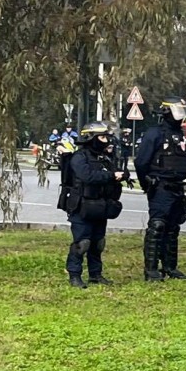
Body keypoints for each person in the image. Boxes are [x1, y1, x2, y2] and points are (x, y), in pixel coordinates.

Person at [134, 95, 186, 281]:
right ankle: (151, 270)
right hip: (160, 186)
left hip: (177, 187)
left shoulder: (181, 134)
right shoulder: (155, 133)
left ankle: (170, 267)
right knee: (157, 226)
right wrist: (147, 183)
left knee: (173, 228)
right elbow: (141, 162)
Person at [59, 121, 124, 287]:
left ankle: (96, 274)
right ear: (91, 138)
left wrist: (121, 175)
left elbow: (120, 171)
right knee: (82, 243)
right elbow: (87, 176)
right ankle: (74, 275)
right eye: (102, 137)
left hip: (101, 205)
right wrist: (111, 176)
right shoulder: (79, 157)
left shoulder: (106, 157)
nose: (106, 141)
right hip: (82, 206)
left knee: (98, 242)